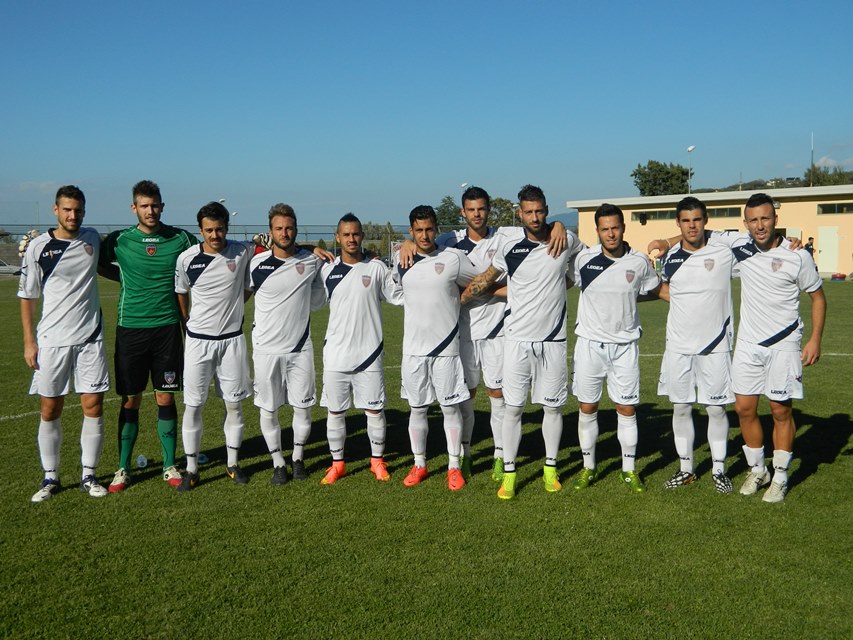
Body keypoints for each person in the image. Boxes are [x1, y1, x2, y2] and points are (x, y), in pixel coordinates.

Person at [399, 186, 568, 482]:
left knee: (498, 397)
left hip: (498, 331)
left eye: (482, 209)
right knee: (465, 400)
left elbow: (537, 226)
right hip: (462, 333)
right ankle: (463, 455)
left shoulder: (507, 236)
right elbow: (420, 243)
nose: (477, 214)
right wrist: (404, 243)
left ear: (489, 210)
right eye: (471, 209)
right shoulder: (447, 242)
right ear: (462, 213)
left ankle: (500, 456)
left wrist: (559, 224)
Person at [461, 185, 585, 500]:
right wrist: (459, 297)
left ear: (546, 209)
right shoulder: (510, 249)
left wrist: (561, 227)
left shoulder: (565, 240)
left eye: (540, 211)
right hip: (516, 341)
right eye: (528, 212)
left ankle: (550, 469)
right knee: (513, 409)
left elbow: (581, 267)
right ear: (520, 213)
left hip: (554, 341)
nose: (535, 217)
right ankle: (510, 473)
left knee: (552, 409)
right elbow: (486, 278)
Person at [703, 194, 824, 502]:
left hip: (784, 345)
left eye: (765, 218)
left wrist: (814, 340)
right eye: (753, 220)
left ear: (775, 220)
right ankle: (758, 470)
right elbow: (698, 231)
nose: (760, 225)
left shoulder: (798, 256)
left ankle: (781, 476)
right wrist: (665, 242)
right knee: (744, 409)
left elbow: (818, 298)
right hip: (747, 344)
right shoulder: (739, 246)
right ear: (746, 223)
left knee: (780, 410)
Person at [99, 180, 198, 492]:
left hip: (168, 329)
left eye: (155, 205)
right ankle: (123, 468)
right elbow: (96, 261)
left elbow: (210, 253)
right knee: (130, 399)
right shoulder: (119, 240)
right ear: (134, 208)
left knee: (165, 396)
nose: (150, 210)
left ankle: (169, 465)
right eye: (144, 206)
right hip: (131, 329)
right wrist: (124, 276)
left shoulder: (181, 238)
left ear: (162, 206)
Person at [20, 185, 110, 501]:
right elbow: (28, 296)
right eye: (67, 209)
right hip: (51, 341)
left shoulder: (92, 238)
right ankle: (51, 478)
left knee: (93, 405)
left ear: (84, 211)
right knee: (49, 408)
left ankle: (89, 474)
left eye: (78, 210)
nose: (73, 215)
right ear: (55, 210)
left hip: (89, 337)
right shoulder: (38, 247)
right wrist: (29, 341)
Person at [571, 203, 660, 493]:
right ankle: (588, 467)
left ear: (623, 227)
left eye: (615, 227)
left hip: (624, 347)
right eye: (605, 229)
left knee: (626, 408)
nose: (611, 233)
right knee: (587, 407)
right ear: (597, 231)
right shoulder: (583, 259)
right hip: (589, 346)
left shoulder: (638, 262)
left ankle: (629, 470)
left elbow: (653, 290)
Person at [394, 205, 479, 490]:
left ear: (437, 229)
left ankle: (454, 466)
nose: (424, 235)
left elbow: (478, 283)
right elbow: (394, 290)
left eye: (429, 229)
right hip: (413, 351)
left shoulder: (453, 258)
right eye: (418, 230)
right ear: (411, 231)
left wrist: (459, 300)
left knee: (450, 409)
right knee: (417, 410)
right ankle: (419, 464)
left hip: (446, 349)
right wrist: (405, 247)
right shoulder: (401, 259)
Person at [656, 197, 736, 493]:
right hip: (678, 346)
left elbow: (756, 239)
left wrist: (785, 240)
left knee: (716, 410)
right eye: (686, 220)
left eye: (697, 219)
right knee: (681, 408)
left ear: (706, 220)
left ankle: (719, 470)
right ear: (678, 223)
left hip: (716, 345)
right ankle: (686, 469)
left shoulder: (724, 249)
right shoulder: (670, 256)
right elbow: (660, 288)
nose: (692, 225)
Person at [317, 213, 403, 484]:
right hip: (336, 355)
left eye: (356, 234)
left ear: (362, 236)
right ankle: (338, 464)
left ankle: (377, 461)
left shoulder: (376, 268)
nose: (351, 239)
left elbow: (398, 296)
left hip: (369, 354)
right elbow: (312, 301)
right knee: (335, 411)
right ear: (337, 237)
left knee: (375, 411)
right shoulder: (326, 270)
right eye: (346, 234)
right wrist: (309, 251)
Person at [174, 202, 253, 491]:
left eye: (219, 229)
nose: (214, 235)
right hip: (198, 343)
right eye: (209, 230)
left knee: (234, 405)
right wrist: (188, 322)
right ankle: (192, 469)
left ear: (227, 228)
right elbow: (181, 292)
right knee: (193, 406)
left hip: (232, 341)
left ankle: (233, 464)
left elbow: (247, 287)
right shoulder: (186, 259)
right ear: (200, 230)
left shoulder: (242, 251)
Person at [249, 204, 326, 484]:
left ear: (296, 229)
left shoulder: (311, 260)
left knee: (302, 408)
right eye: (279, 228)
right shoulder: (255, 263)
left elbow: (349, 256)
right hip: (265, 350)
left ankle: (297, 458)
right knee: (268, 409)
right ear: (271, 232)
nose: (285, 233)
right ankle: (278, 462)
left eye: (289, 227)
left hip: (300, 348)